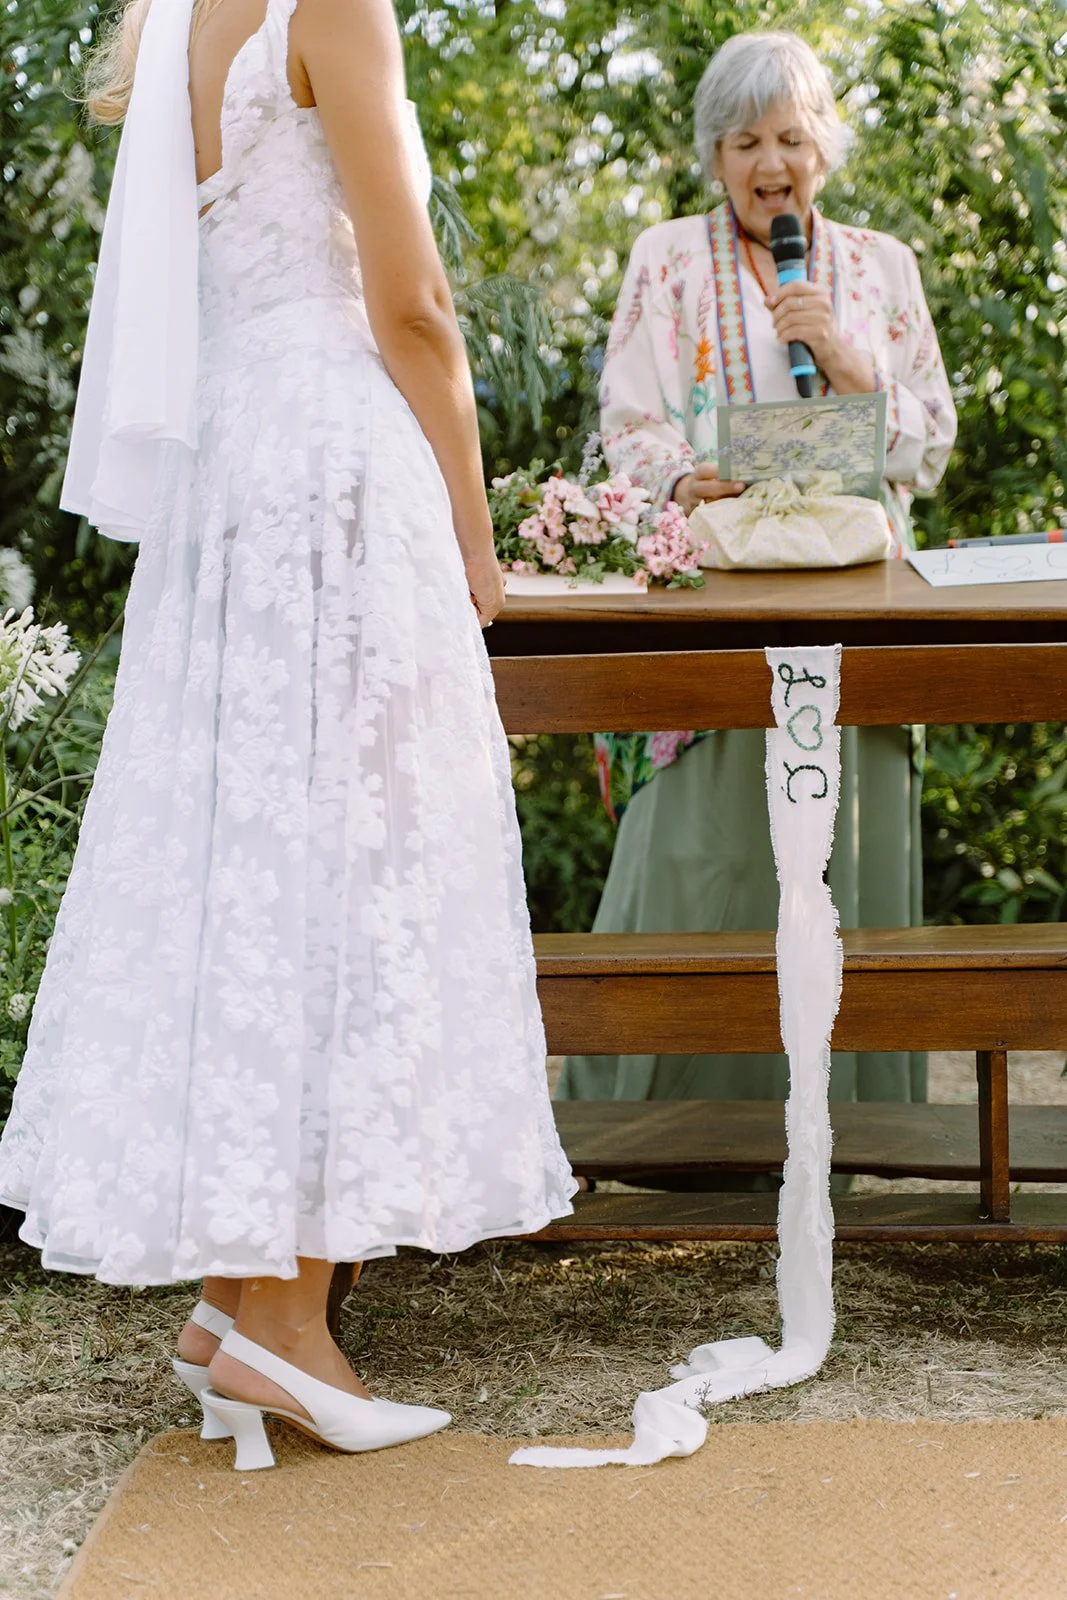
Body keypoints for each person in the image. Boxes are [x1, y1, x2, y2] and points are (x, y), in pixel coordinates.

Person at [0, 0, 575, 1471]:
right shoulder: (334, 3)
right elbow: (413, 306)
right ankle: (285, 1326)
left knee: (253, 860)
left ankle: (230, 1301)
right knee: (352, 867)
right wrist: (475, 530)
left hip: (234, 473)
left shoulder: (181, 18)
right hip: (337, 462)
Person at [558, 31, 957, 1130]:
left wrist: (845, 360)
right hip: (712, 604)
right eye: (744, 141)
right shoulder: (666, 258)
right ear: (715, 155)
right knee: (697, 859)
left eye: (788, 136)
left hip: (854, 612)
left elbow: (929, 441)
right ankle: (651, 1126)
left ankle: (858, 1130)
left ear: (820, 148)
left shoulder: (880, 266)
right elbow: (626, 430)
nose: (767, 161)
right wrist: (693, 472)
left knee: (840, 869)